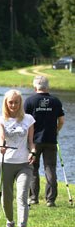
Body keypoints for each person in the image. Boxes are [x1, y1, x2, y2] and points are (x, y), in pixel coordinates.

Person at [0, 89, 36, 227]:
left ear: (21, 103)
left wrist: (33, 153)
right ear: (6, 103)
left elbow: (31, 143)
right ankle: (9, 222)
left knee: (22, 196)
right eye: (10, 102)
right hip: (5, 162)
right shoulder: (0, 119)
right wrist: (2, 145)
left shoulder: (29, 119)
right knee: (7, 197)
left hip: (24, 164)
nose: (13, 105)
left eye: (16, 102)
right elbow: (1, 137)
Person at [24, 75, 65, 207]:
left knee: (33, 168)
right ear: (48, 86)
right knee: (50, 168)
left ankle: (33, 198)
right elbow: (62, 121)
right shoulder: (56, 101)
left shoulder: (30, 101)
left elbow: (24, 122)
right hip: (50, 140)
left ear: (35, 86)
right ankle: (50, 200)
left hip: (33, 141)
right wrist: (56, 130)